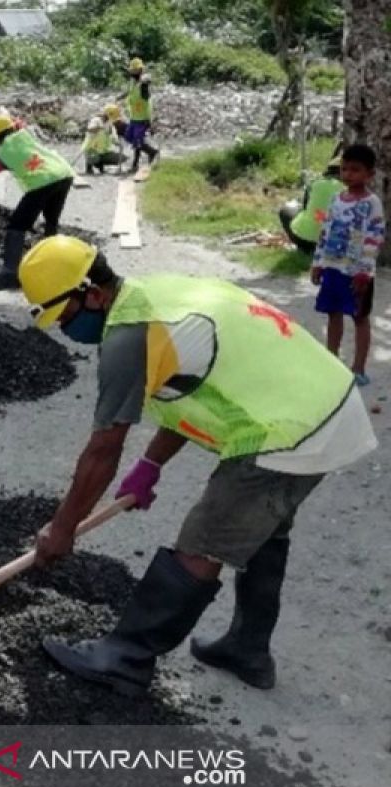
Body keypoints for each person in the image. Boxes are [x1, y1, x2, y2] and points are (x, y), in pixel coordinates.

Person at [19, 236, 376, 697]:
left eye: (65, 317)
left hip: (292, 427)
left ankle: (125, 656)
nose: (68, 329)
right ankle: (247, 650)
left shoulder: (131, 334)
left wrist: (62, 526)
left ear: (92, 293)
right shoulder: (156, 294)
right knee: (263, 531)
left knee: (205, 538)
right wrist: (150, 464)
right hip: (324, 404)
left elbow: (103, 449)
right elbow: (194, 388)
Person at [310, 143, 385, 387]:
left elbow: (375, 236)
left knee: (359, 317)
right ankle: (331, 361)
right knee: (333, 315)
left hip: (357, 273)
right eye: (344, 169)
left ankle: (359, 368)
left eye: (355, 170)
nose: (348, 175)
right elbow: (326, 232)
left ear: (369, 174)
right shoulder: (335, 200)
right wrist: (318, 262)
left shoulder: (371, 203)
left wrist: (365, 270)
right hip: (333, 267)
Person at [0, 110, 75, 274]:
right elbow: (19, 123)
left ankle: (10, 268)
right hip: (63, 174)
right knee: (51, 221)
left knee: (17, 225)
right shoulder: (25, 134)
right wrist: (5, 117)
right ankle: (53, 262)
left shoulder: (4, 153)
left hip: (42, 182)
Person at [279, 156, 344, 256]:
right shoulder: (351, 190)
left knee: (286, 210)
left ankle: (305, 249)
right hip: (335, 245)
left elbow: (306, 208)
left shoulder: (314, 183)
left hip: (305, 241)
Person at [118, 57, 159, 172]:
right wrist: (121, 96)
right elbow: (130, 91)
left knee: (137, 141)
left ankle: (137, 163)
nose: (132, 73)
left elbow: (147, 83)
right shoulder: (133, 82)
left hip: (143, 118)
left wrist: (146, 81)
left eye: (135, 71)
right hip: (134, 117)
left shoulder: (143, 85)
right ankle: (150, 151)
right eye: (131, 71)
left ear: (140, 71)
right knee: (129, 136)